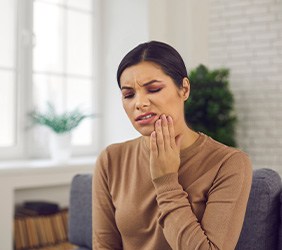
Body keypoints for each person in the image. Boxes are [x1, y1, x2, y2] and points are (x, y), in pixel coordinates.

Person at [92, 41, 252, 250]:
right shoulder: (111, 159)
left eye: (154, 89)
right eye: (129, 94)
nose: (139, 103)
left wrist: (166, 181)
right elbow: (104, 246)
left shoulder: (229, 163)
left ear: (184, 89)